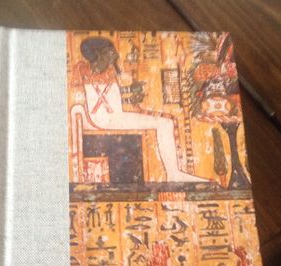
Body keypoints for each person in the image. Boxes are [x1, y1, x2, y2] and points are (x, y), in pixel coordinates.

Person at [71, 37, 211, 183]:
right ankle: (173, 173)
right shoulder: (85, 70)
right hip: (103, 119)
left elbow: (112, 101)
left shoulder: (108, 71)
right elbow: (94, 101)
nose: (116, 55)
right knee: (165, 123)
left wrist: (131, 98)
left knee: (166, 121)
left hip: (114, 117)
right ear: (100, 53)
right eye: (111, 51)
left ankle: (174, 172)